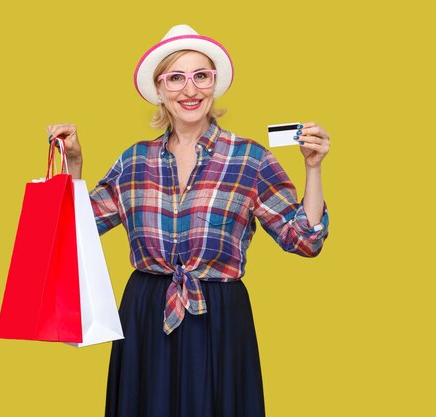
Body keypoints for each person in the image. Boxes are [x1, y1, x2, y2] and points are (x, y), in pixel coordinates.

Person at [47, 24, 330, 417]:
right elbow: (75, 231)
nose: (190, 89)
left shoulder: (249, 158)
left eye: (201, 76)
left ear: (215, 85)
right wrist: (74, 163)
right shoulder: (134, 161)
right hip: (146, 313)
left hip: (219, 318)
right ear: (159, 90)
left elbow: (304, 241)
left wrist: (313, 169)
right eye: (176, 78)